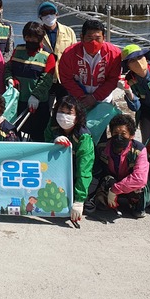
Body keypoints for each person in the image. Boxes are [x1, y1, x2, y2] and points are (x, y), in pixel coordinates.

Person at [44, 96, 94, 224]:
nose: (63, 116)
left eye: (69, 113)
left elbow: (84, 169)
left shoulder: (83, 137)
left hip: (76, 175)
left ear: (77, 117)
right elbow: (43, 147)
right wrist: (53, 143)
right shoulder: (53, 126)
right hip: (56, 172)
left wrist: (79, 200)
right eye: (61, 112)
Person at [5, 21, 56, 141]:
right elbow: (8, 67)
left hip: (37, 104)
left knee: (39, 135)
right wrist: (9, 79)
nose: (31, 40)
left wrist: (36, 96)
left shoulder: (48, 56)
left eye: (35, 38)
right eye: (28, 37)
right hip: (18, 101)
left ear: (41, 39)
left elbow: (47, 80)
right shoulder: (18, 50)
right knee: (14, 133)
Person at [92, 114, 150, 218]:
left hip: (129, 183)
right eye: (115, 133)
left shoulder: (139, 150)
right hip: (112, 180)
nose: (119, 137)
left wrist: (115, 190)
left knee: (139, 189)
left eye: (123, 134)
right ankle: (106, 200)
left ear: (131, 135)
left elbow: (140, 178)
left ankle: (134, 204)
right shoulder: (102, 147)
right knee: (105, 183)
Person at [58, 19, 122, 110]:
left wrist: (95, 97)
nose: (93, 42)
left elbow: (114, 79)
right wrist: (81, 97)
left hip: (104, 99)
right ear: (81, 37)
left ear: (103, 38)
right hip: (78, 99)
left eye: (97, 38)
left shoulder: (114, 54)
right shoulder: (69, 54)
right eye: (89, 38)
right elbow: (66, 78)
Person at [37, 1, 77, 100]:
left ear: (57, 14)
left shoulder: (69, 32)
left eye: (51, 12)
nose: (48, 16)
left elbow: (76, 54)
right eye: (45, 14)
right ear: (40, 17)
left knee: (65, 107)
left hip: (65, 77)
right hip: (45, 78)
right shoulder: (38, 33)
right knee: (46, 108)